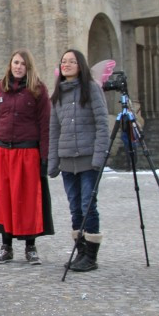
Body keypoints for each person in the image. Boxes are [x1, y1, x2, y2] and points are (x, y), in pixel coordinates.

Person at [0, 50, 54, 264]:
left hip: (27, 152)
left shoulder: (38, 89)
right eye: (15, 62)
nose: (18, 67)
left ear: (28, 66)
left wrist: (45, 156)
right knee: (4, 199)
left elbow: (45, 125)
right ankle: (6, 246)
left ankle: (30, 247)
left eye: (22, 63)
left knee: (28, 200)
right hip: (0, 151)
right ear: (10, 64)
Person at [47, 49, 110, 272]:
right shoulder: (57, 94)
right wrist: (52, 161)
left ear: (80, 65)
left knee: (88, 205)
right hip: (67, 160)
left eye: (72, 61)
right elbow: (54, 129)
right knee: (75, 207)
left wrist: (99, 156)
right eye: (64, 61)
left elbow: (102, 123)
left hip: (88, 157)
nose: (67, 65)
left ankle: (90, 256)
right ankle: (80, 251)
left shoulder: (91, 88)